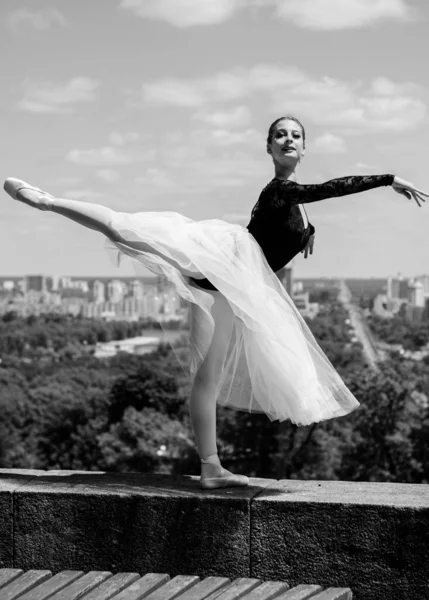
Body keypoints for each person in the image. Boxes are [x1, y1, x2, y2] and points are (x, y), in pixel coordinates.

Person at [4, 116, 427, 490]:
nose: (288, 140)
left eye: (295, 135)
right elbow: (329, 189)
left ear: (305, 146)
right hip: (222, 263)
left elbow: (296, 218)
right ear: (269, 147)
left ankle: (210, 468)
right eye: (279, 135)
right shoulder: (281, 190)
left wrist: (307, 233)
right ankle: (44, 200)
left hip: (229, 288)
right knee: (127, 228)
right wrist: (387, 179)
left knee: (207, 377)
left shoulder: (294, 206)